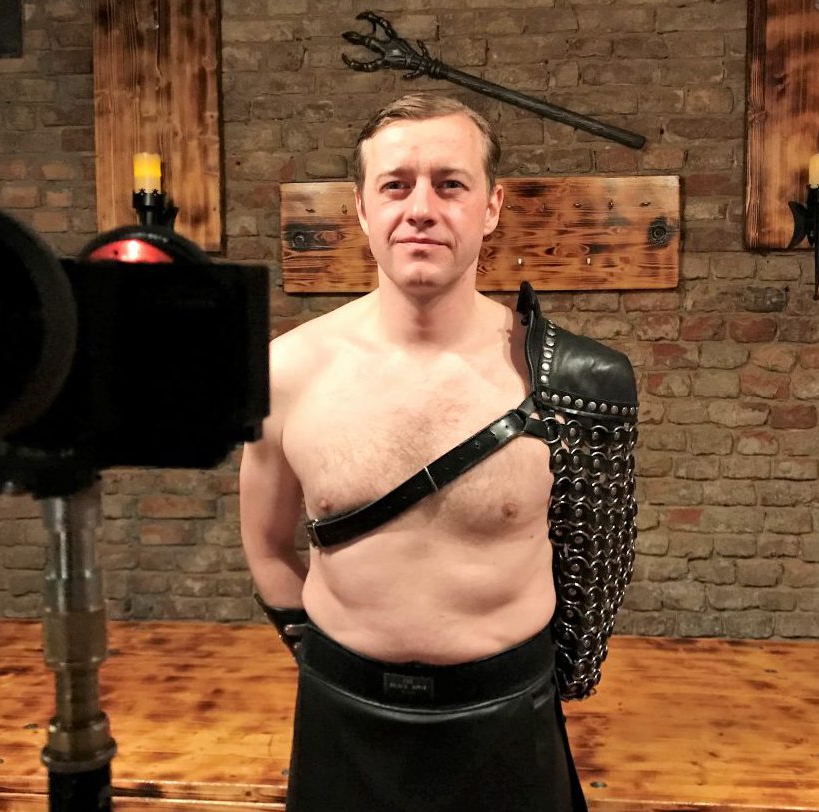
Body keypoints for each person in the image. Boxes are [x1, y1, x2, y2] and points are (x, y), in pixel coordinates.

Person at [240, 92, 638, 812]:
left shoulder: (570, 381)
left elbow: (597, 565)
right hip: (341, 716)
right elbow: (266, 549)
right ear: (361, 208)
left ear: (491, 207)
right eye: (395, 185)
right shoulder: (286, 372)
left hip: (506, 722)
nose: (420, 208)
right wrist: (333, 661)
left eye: (450, 184)